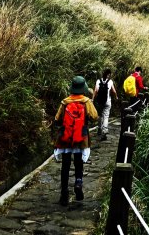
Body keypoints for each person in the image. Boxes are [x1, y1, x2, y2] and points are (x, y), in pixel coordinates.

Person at [54, 75, 98, 206]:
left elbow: (57, 119)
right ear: (83, 88)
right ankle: (78, 183)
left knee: (65, 165)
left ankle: (64, 193)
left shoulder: (65, 102)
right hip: (81, 137)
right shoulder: (86, 101)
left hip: (66, 138)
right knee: (78, 162)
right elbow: (95, 117)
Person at [93, 68, 118, 141]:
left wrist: (92, 99)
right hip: (107, 102)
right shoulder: (110, 81)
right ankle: (104, 131)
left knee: (100, 115)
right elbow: (113, 91)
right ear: (109, 74)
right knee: (106, 116)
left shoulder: (98, 81)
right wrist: (116, 97)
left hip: (100, 101)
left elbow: (96, 90)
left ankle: (99, 130)